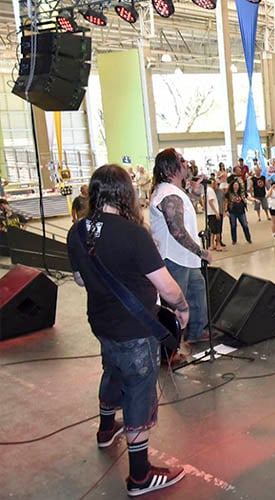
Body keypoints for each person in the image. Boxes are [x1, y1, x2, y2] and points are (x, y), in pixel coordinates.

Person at [67, 164, 188, 496]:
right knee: (138, 389)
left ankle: (106, 429)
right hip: (135, 328)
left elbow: (80, 279)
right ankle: (140, 476)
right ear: (125, 193)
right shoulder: (134, 234)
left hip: (102, 324)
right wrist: (182, 307)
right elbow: (166, 287)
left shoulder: (77, 232)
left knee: (113, 370)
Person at [149, 148, 211, 344]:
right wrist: (201, 252)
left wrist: (194, 194)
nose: (186, 163)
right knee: (175, 305)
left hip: (185, 258)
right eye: (182, 160)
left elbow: (180, 217)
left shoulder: (173, 192)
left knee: (197, 292)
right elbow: (177, 231)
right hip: (175, 259)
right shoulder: (168, 194)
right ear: (170, 168)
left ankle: (197, 332)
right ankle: (171, 346)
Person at [226, 178, 253, 244]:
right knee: (233, 226)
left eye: (237, 185)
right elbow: (226, 202)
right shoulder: (229, 193)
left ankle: (248, 239)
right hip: (232, 212)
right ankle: (234, 240)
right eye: (235, 185)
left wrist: (254, 200)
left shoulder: (242, 192)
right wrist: (226, 210)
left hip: (241, 211)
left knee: (245, 225)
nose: (236, 186)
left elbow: (248, 197)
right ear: (232, 185)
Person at [204, 181, 225, 252]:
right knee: (217, 230)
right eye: (217, 184)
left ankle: (212, 244)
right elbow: (210, 202)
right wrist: (216, 212)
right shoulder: (210, 191)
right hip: (213, 213)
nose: (217, 186)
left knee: (213, 230)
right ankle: (217, 244)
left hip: (211, 213)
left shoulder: (209, 190)